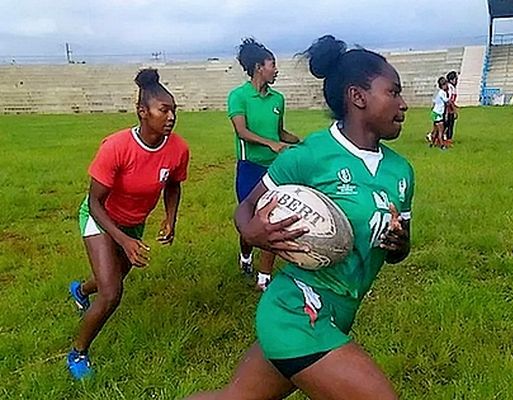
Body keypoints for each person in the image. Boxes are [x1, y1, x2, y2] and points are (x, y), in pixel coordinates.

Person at [186, 34, 414, 400]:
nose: (403, 104)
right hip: (296, 309)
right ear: (358, 97)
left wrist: (400, 244)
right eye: (394, 93)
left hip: (340, 312)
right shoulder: (311, 154)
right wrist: (254, 232)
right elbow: (246, 209)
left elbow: (399, 251)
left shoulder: (401, 172)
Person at [67, 69, 190, 380]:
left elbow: (174, 184)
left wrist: (169, 218)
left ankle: (80, 290)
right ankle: (78, 352)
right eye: (164, 109)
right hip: (100, 218)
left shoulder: (178, 148)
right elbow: (95, 202)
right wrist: (123, 240)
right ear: (142, 112)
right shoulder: (116, 147)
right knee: (111, 292)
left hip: (133, 224)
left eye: (173, 109)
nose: (171, 116)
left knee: (114, 276)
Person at [227, 38, 300, 291]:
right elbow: (242, 131)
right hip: (249, 168)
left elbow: (280, 133)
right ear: (259, 67)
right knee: (249, 224)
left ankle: (264, 278)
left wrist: (301, 142)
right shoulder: (238, 96)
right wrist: (270, 143)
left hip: (276, 170)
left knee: (274, 218)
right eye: (272, 64)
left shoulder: (278, 99)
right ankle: (246, 256)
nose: (276, 69)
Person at [427, 76, 449, 149]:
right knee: (441, 131)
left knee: (435, 130)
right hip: (438, 113)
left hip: (434, 112)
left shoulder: (438, 93)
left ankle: (432, 144)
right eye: (445, 84)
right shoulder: (443, 93)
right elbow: (447, 101)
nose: (446, 86)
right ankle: (442, 145)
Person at [444, 71, 459, 145]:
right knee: (449, 124)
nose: (457, 80)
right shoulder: (450, 87)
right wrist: (454, 110)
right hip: (448, 109)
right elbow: (449, 100)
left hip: (450, 108)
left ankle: (446, 138)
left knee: (448, 123)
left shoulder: (452, 87)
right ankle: (448, 139)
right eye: (456, 79)